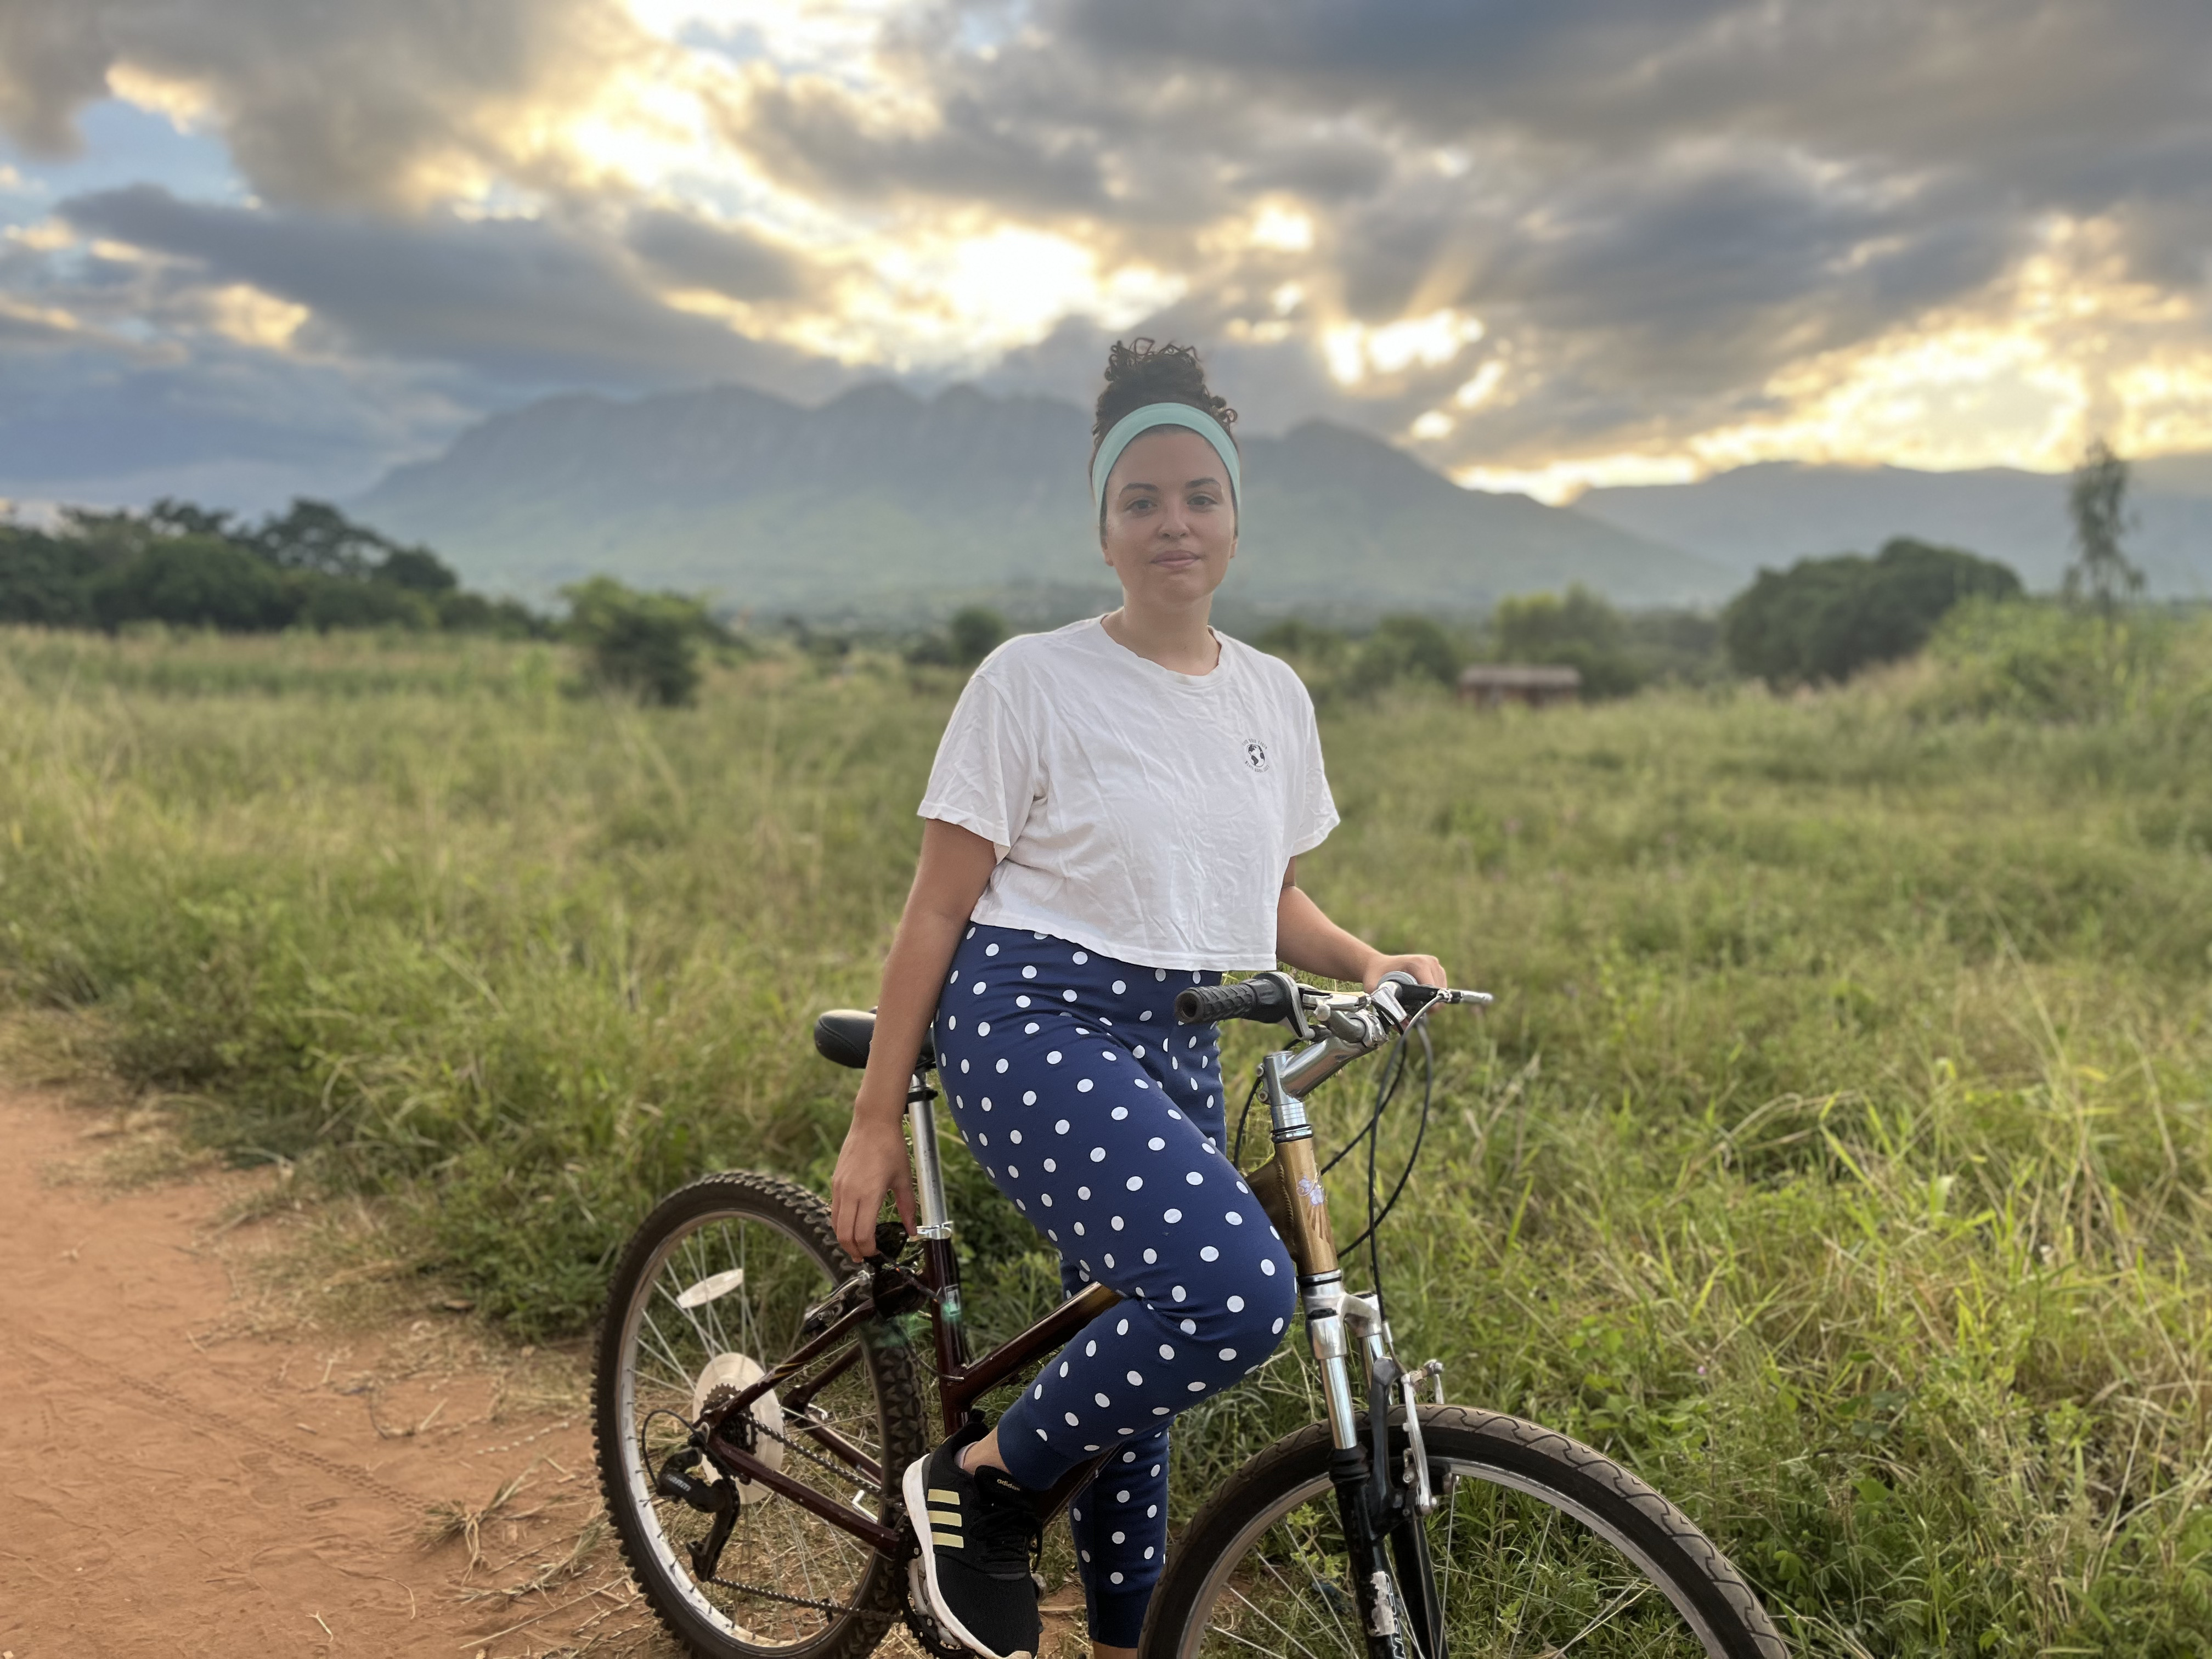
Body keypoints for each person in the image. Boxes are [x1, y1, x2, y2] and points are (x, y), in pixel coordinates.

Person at [830, 338, 1446, 1659]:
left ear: (1235, 517)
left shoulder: (1274, 697)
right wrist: (877, 1118)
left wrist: (1365, 960)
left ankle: (1121, 1645)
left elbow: (1264, 898)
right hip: (1032, 1019)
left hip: (1179, 1035)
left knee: (1140, 1378)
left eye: (1200, 497)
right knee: (1232, 1291)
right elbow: (938, 907)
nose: (1175, 523)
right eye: (1143, 501)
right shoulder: (1032, 680)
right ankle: (980, 1487)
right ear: (1104, 528)